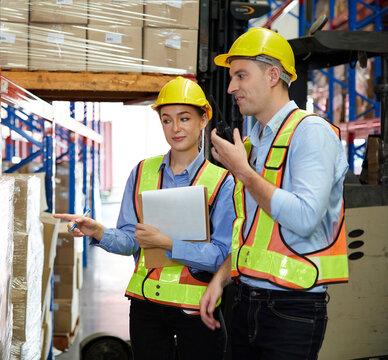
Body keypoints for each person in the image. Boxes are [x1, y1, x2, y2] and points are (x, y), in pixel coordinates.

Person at [55, 76, 235, 360]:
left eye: (184, 118)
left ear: (203, 120)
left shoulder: (222, 182)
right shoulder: (142, 172)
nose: (175, 128)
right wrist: (98, 231)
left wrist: (167, 242)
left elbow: (223, 255)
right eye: (166, 119)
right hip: (147, 307)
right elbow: (130, 241)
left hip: (197, 309)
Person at [199, 27, 349, 360]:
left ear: (272, 75)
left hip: (292, 308)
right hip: (246, 299)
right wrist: (220, 280)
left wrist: (243, 172)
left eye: (240, 75)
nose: (231, 87)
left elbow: (305, 218)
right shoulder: (254, 142)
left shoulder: (311, 133)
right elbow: (253, 235)